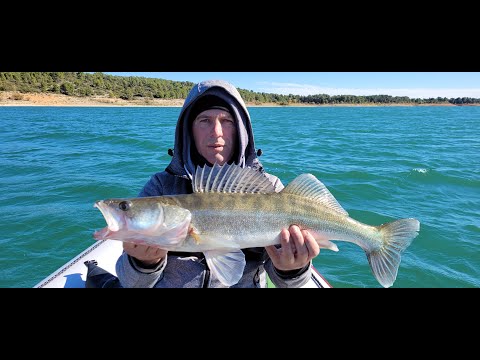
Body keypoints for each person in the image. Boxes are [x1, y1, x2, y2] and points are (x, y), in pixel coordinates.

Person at [115, 79, 321, 287]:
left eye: (227, 121)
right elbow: (131, 283)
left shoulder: (270, 189)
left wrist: (293, 269)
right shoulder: (161, 187)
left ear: (241, 129)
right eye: (204, 120)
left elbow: (291, 285)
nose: (216, 132)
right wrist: (143, 262)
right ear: (189, 130)